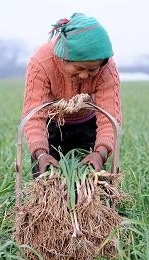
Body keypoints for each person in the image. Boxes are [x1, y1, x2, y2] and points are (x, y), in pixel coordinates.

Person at [21, 13, 121, 177]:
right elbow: (34, 115)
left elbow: (109, 118)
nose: (84, 75)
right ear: (64, 58)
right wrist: (40, 153)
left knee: (92, 179)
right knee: (46, 178)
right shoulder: (42, 63)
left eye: (91, 70)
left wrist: (100, 153)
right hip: (51, 125)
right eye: (79, 68)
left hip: (88, 125)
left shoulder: (107, 69)